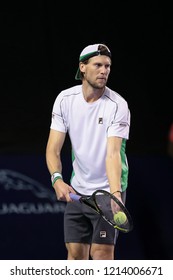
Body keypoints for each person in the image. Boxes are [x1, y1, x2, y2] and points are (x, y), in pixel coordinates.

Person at [46, 43, 131, 260]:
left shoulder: (117, 105)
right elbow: (53, 148)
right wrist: (57, 179)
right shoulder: (65, 100)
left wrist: (115, 194)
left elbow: (113, 154)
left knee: (102, 254)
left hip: (107, 191)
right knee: (75, 256)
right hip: (78, 190)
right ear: (82, 67)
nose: (104, 71)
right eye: (98, 65)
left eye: (108, 66)